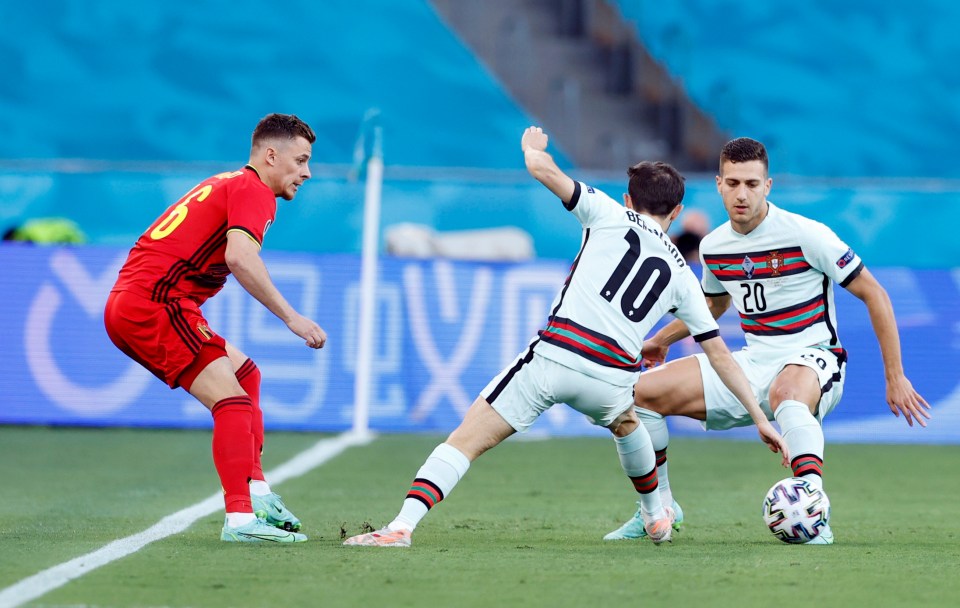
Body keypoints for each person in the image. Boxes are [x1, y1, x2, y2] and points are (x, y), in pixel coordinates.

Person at [342, 126, 787, 548]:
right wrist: (760, 418)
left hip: (555, 358)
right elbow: (720, 355)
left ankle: (402, 526)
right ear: (675, 213)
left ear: (628, 198)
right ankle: (656, 512)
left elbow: (543, 170)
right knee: (628, 421)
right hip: (611, 377)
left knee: (466, 439)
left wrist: (532, 147)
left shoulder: (607, 212)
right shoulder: (684, 277)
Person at [604, 137, 931, 545]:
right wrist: (662, 339)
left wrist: (895, 375)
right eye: (734, 183)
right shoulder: (714, 246)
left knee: (787, 392)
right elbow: (715, 304)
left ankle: (813, 513)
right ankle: (660, 508)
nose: (743, 193)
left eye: (752, 184)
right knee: (637, 397)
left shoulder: (807, 235)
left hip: (814, 358)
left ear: (768, 186)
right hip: (753, 360)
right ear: (720, 184)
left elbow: (874, 294)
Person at [103, 113, 326, 543]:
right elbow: (240, 258)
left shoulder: (228, 181)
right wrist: (292, 318)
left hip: (141, 300)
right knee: (233, 402)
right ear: (271, 154)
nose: (307, 172)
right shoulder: (255, 190)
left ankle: (257, 492)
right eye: (300, 161)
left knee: (245, 375)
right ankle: (241, 520)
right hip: (155, 304)